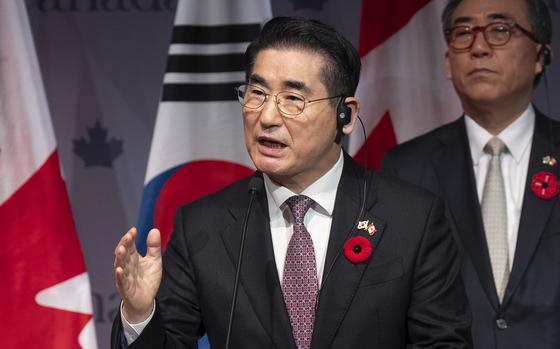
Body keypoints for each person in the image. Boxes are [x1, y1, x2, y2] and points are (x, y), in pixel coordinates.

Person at [112, 16, 471, 349]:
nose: (267, 116)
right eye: (257, 93)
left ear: (345, 115)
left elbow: (443, 342)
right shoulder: (203, 226)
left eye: (293, 99)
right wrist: (141, 315)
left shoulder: (412, 218)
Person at [382, 0, 558, 348]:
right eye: (462, 33)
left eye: (500, 30)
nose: (478, 47)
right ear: (448, 62)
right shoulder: (404, 168)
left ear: (540, 56)